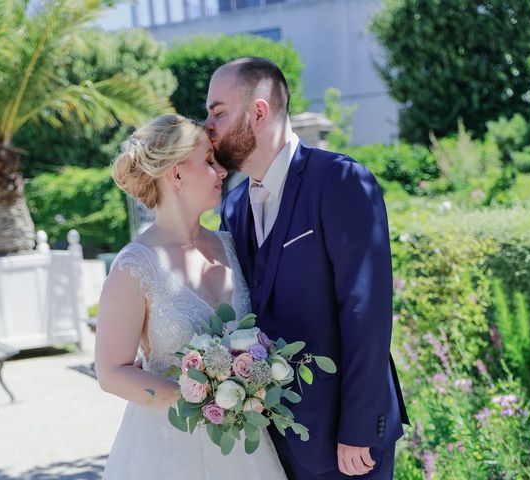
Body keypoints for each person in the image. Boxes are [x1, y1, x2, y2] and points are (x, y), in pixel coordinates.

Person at [207, 58, 409, 479]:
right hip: (270, 442)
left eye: (218, 112)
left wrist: (358, 429)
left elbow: (365, 311)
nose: (208, 126)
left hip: (345, 445)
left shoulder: (340, 181)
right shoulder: (234, 204)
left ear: (257, 112)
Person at [95, 114, 287, 480]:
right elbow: (110, 372)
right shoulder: (134, 266)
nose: (222, 172)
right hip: (169, 446)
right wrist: (201, 398)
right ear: (176, 173)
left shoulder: (230, 246)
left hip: (244, 443)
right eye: (209, 162)